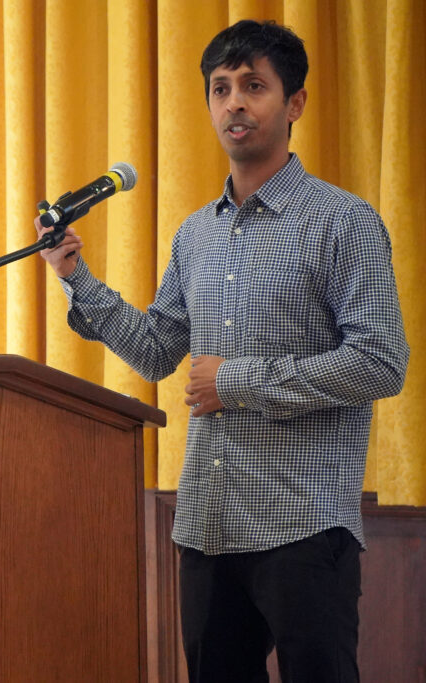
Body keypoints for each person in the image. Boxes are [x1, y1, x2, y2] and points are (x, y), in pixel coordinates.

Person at [36, 19, 409, 683]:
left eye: (254, 86)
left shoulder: (343, 221)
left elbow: (381, 360)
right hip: (208, 525)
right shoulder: (193, 236)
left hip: (305, 525)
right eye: (221, 87)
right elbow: (156, 351)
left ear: (293, 104)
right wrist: (76, 279)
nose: (234, 102)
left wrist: (236, 380)